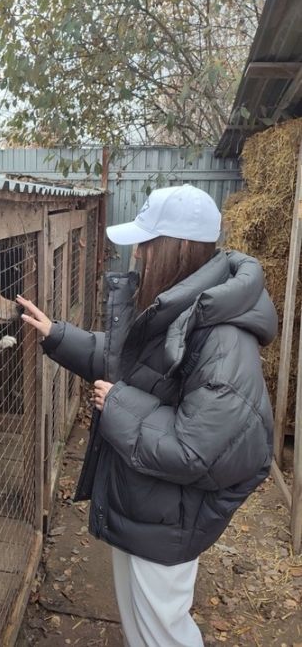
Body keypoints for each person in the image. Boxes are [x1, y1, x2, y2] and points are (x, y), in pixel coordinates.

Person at [17, 184, 277, 647]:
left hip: (166, 517)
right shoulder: (183, 306)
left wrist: (116, 403)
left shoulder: (224, 340)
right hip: (144, 501)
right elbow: (135, 366)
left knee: (163, 634)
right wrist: (57, 334)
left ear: (178, 249)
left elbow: (198, 449)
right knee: (142, 627)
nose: (137, 253)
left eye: (147, 243)